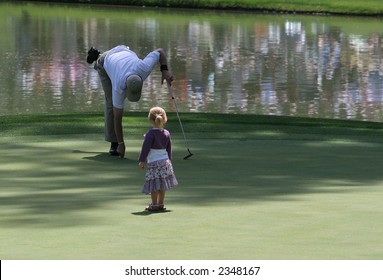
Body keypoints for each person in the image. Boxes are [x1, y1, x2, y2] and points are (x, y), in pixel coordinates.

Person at [86, 45, 174, 158]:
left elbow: (160, 51)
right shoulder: (119, 86)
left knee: (114, 102)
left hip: (121, 52)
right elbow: (117, 118)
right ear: (126, 88)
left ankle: (97, 53)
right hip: (105, 62)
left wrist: (165, 70)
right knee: (110, 103)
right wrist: (121, 144)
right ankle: (114, 143)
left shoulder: (143, 68)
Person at [138, 107, 178, 211]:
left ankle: (154, 204)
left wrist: (142, 160)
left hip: (154, 163)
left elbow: (145, 148)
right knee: (162, 184)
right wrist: (169, 159)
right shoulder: (166, 133)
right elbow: (169, 147)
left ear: (150, 119)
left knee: (154, 183)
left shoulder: (150, 134)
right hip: (165, 163)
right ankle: (161, 203)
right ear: (164, 119)